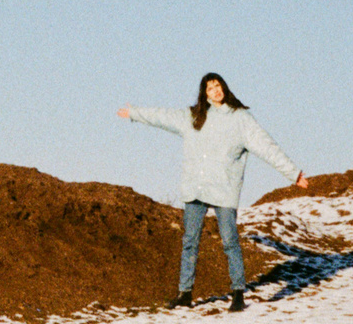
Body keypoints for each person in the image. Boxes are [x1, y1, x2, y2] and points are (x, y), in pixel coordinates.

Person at [118, 73, 309, 311]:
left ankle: (238, 293)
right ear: (204, 94)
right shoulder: (194, 116)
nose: (215, 90)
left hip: (224, 188)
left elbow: (266, 146)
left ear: (224, 88)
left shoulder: (241, 119)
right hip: (196, 186)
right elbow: (163, 116)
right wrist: (135, 113)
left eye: (217, 85)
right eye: (210, 88)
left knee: (229, 240)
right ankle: (185, 293)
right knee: (190, 241)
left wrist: (293, 173)